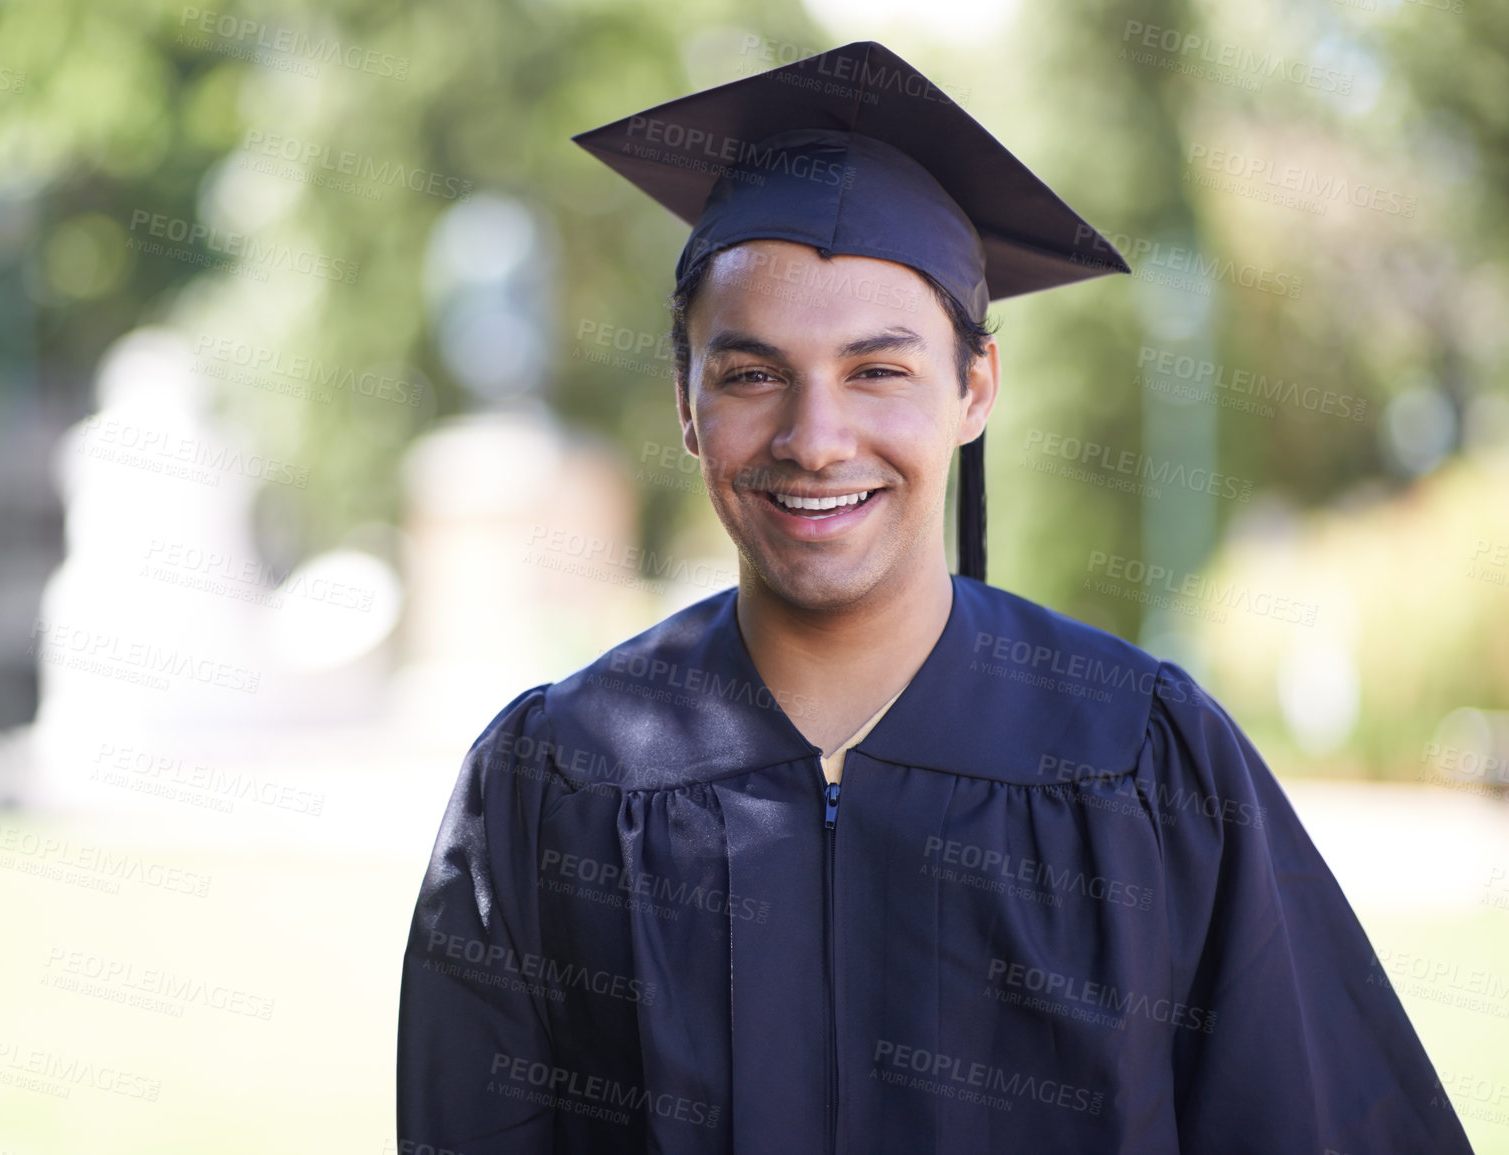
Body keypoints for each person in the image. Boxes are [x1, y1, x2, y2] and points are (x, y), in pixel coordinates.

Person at [396, 41, 1472, 1154]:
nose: (816, 440)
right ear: (685, 402)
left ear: (975, 389)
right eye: (753, 373)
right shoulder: (557, 780)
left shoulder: (1144, 762)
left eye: (879, 370)